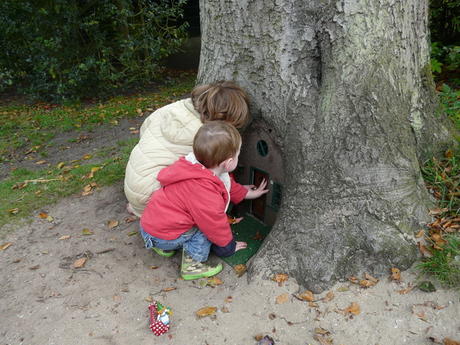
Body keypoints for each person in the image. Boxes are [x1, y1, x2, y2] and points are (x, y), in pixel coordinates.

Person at [139, 121, 268, 280]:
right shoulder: (204, 192)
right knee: (204, 228)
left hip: (150, 226)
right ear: (228, 163)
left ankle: (164, 246)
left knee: (194, 222)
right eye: (238, 153)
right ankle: (192, 265)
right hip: (161, 235)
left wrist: (247, 193)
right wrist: (227, 247)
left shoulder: (194, 166)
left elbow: (226, 184)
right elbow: (214, 225)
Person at [124, 80, 250, 217]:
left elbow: (144, 129)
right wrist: (241, 193)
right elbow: (218, 173)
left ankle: (138, 208)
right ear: (226, 119)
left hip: (133, 182)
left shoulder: (175, 108)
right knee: (205, 185)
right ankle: (185, 228)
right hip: (154, 199)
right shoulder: (208, 136)